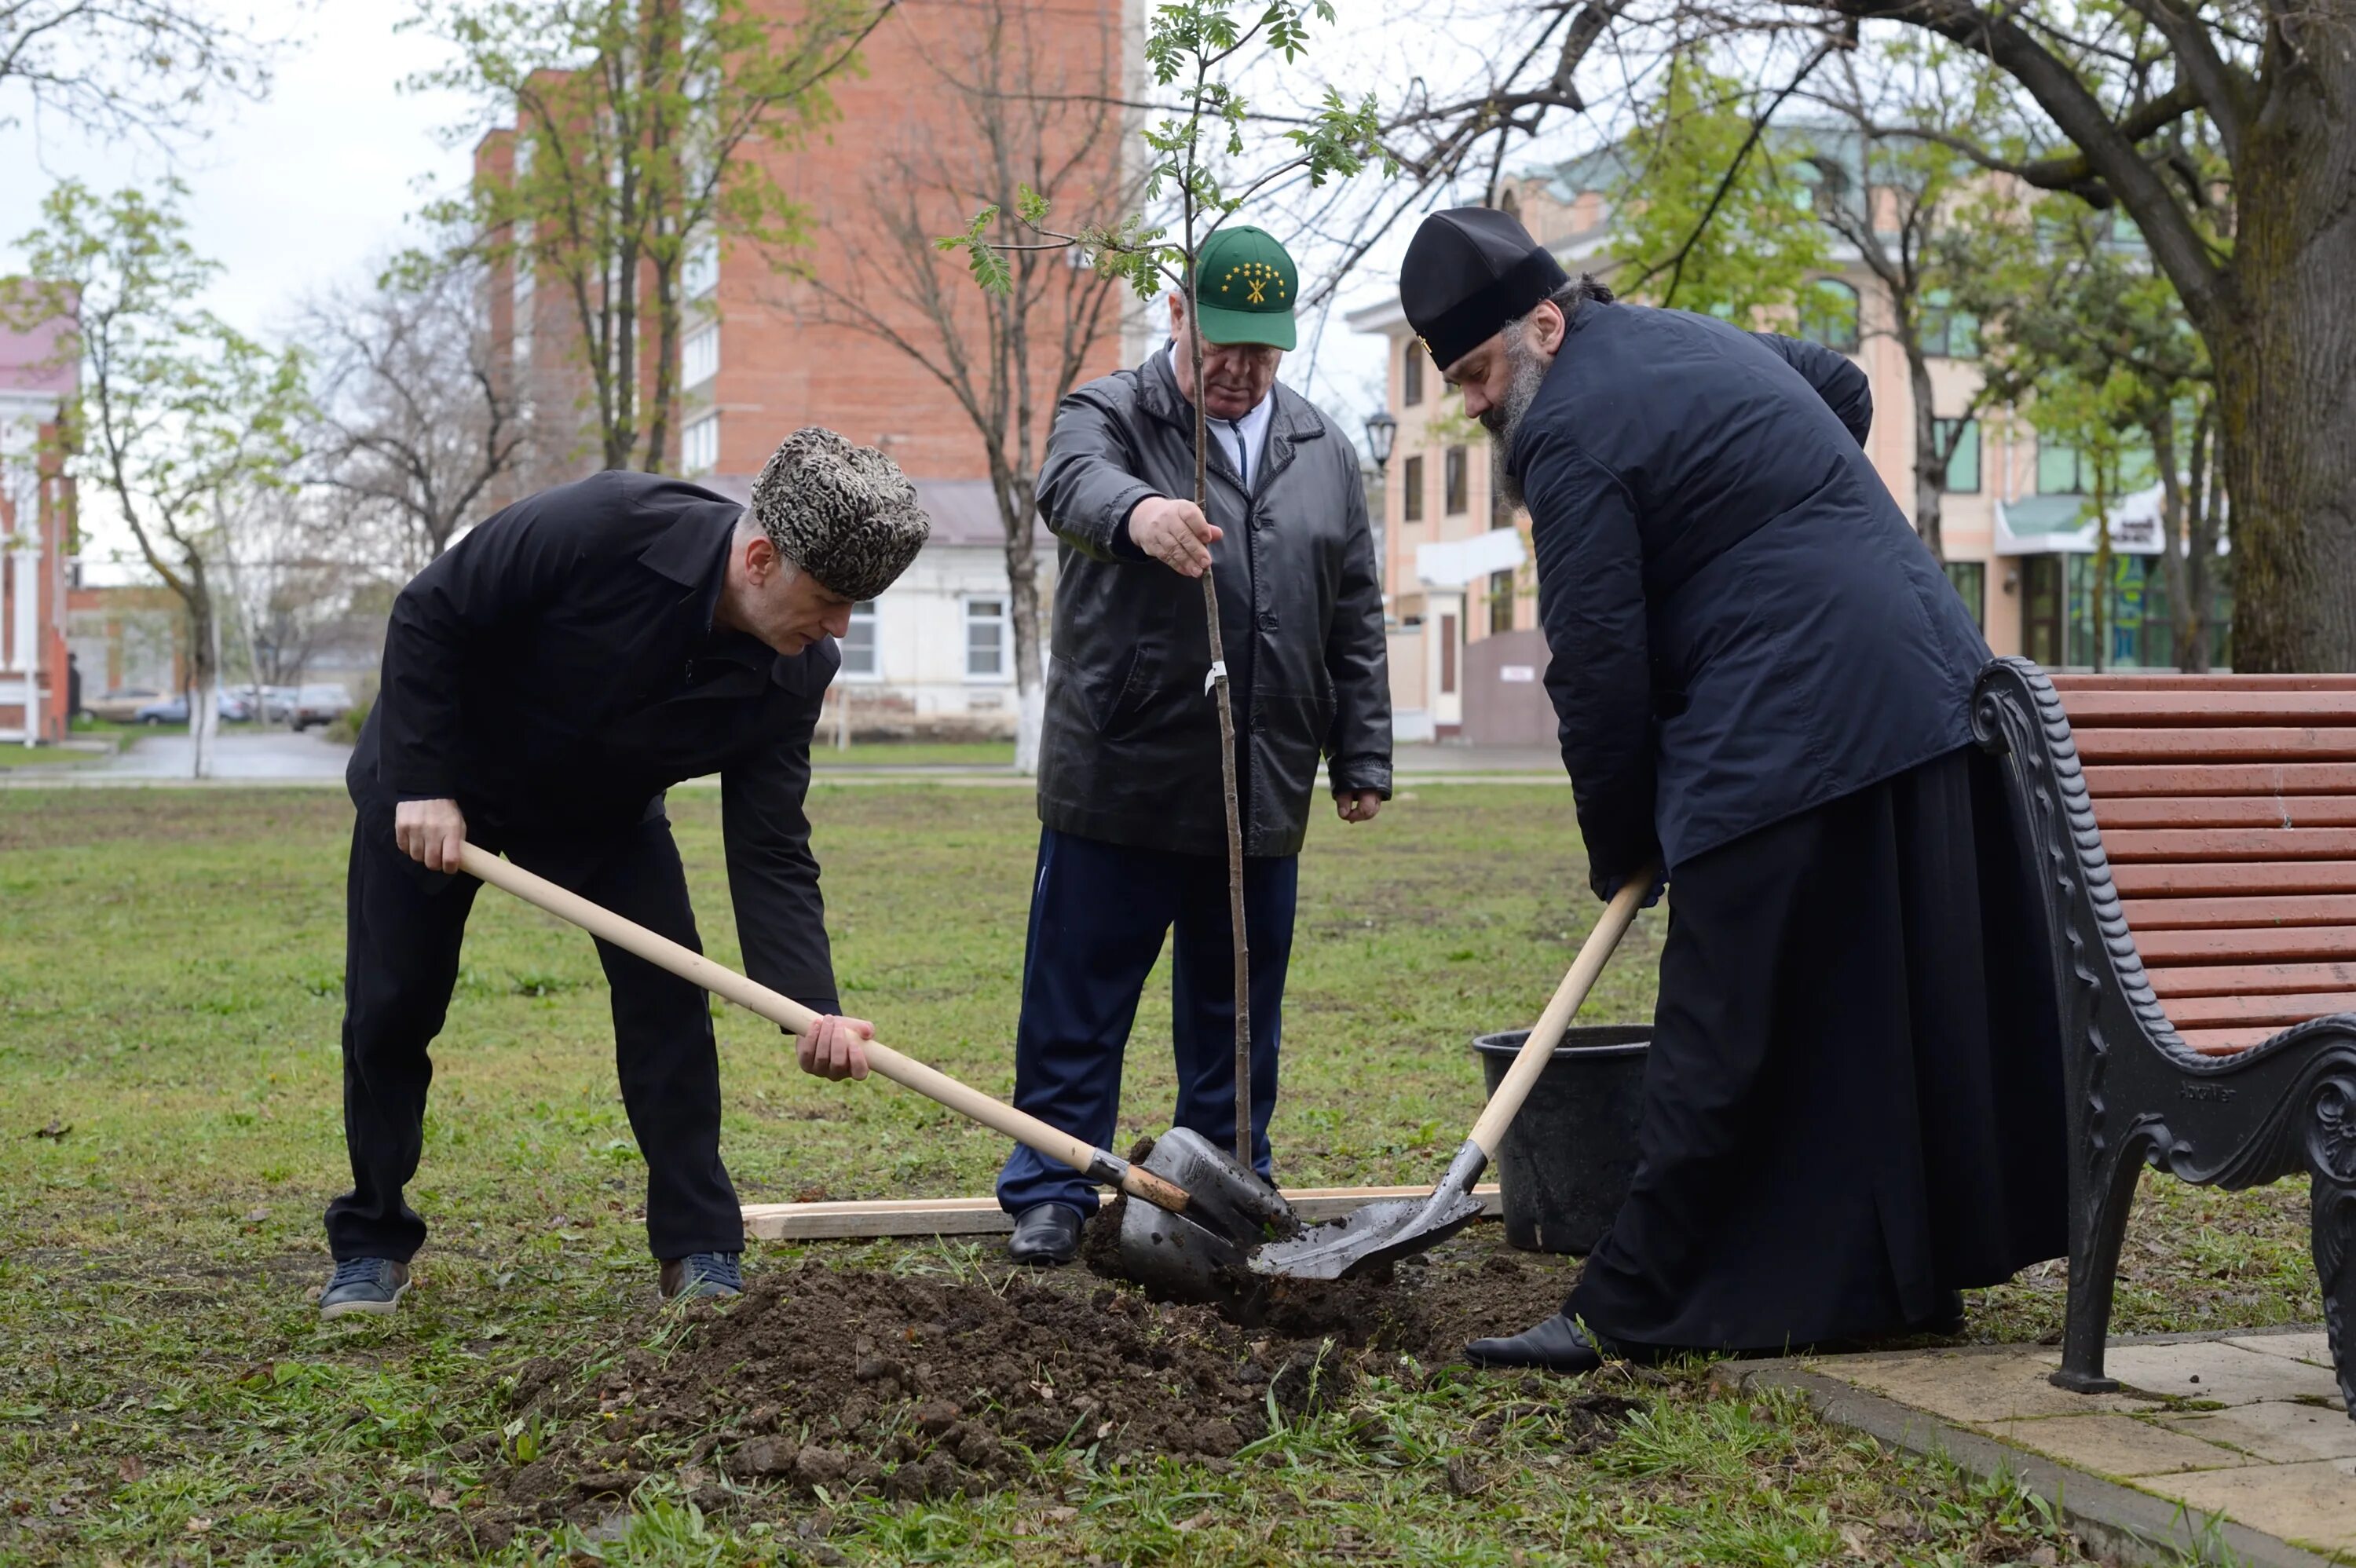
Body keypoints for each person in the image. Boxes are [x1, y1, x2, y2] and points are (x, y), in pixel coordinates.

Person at [1395, 207, 2065, 1369]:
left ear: (1544, 326)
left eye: (1478, 371)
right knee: (1875, 1004)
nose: (1473, 402)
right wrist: (1756, 515)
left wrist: (1623, 845)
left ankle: (1627, 1306)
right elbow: (1843, 390)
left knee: (1723, 1017)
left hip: (1793, 712)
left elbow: (1597, 663)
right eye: (1456, 380)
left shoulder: (1573, 434)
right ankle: (1886, 1283)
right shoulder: (1697, 341)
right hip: (1930, 681)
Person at [318, 429, 928, 1318]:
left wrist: (812, 1004)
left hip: (600, 813)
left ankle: (699, 1244)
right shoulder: (601, 527)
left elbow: (770, 845)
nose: (839, 629)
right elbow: (428, 610)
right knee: (390, 1007)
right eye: (832, 599)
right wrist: (421, 783)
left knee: (667, 1000)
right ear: (760, 558)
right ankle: (371, 1239)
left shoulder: (795, 670)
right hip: (440, 782)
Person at [996, 224, 1392, 1263]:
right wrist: (1139, 514)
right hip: (1120, 773)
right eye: (1220, 342)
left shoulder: (1323, 449)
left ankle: (1225, 1186)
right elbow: (1069, 486)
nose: (1238, 369)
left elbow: (1353, 608)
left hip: (1258, 786)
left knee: (1235, 1017)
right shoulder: (1109, 414)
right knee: (1079, 1003)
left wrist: (1363, 755)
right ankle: (1052, 1186)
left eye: (1261, 351)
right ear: (1177, 315)